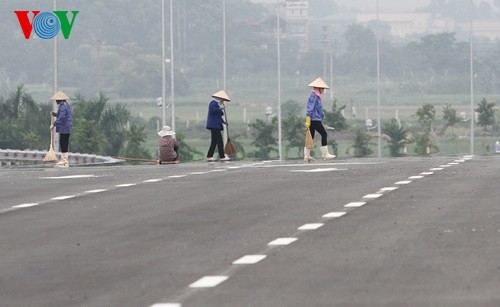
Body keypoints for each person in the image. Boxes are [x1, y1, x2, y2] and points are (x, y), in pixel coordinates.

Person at [304, 77, 336, 162]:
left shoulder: (317, 96)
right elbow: (310, 107)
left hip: (315, 119)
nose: (323, 90)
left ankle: (306, 156)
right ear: (318, 88)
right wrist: (308, 117)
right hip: (314, 119)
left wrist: (321, 117)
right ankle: (325, 154)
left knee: (311, 137)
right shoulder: (314, 96)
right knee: (324, 134)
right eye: (322, 88)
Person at [206, 90, 231, 162]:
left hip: (216, 124)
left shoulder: (217, 105)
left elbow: (219, 116)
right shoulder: (213, 103)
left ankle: (209, 156)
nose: (223, 101)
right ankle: (222, 156)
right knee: (219, 141)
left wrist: (224, 122)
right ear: (219, 98)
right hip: (214, 125)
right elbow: (212, 111)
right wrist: (220, 108)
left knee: (214, 141)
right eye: (222, 100)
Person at [50, 90, 73, 167]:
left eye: (57, 100)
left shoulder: (63, 106)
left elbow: (62, 117)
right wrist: (54, 114)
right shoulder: (65, 105)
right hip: (65, 127)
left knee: (63, 143)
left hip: (65, 128)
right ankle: (63, 160)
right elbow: (60, 115)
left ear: (60, 100)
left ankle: (64, 160)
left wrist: (54, 124)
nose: (56, 101)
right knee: (63, 143)